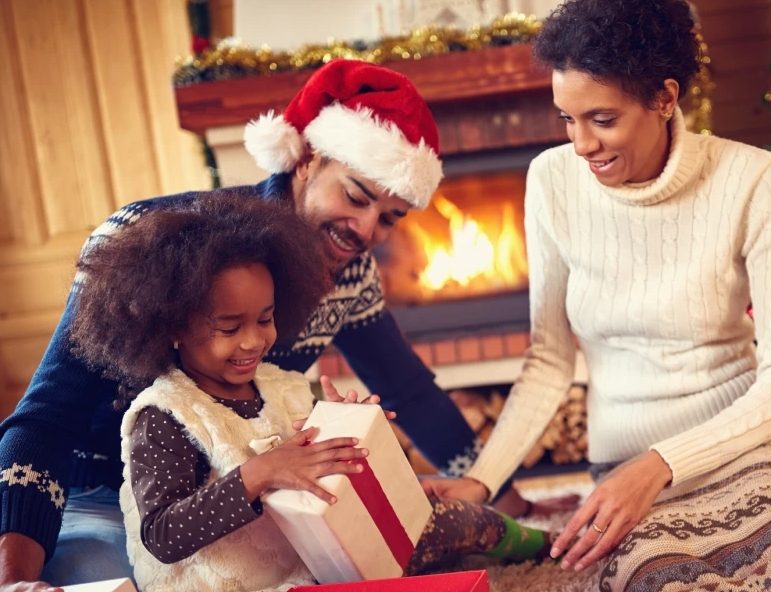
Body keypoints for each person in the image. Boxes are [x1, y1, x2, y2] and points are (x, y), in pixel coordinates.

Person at [424, 1, 771, 590]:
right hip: (623, 469)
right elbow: (549, 361)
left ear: (665, 98)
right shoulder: (551, 181)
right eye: (567, 118)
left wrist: (662, 463)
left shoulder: (751, 179)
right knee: (650, 582)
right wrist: (482, 481)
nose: (582, 143)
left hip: (746, 443)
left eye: (603, 119)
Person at [0, 59, 568, 590]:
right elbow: (47, 417)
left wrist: (503, 494)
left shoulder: (348, 274)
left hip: (249, 503)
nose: (368, 230)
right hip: (106, 491)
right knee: (107, 575)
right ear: (306, 159)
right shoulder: (144, 236)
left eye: (390, 218)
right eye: (356, 195)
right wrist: (15, 570)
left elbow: (409, 391)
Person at [67, 193, 550, 592]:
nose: (254, 340)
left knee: (440, 520)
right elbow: (162, 535)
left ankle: (546, 544)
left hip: (310, 569)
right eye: (229, 327)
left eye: (265, 318)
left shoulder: (283, 386)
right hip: (228, 587)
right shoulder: (165, 414)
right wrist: (258, 474)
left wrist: (347, 431)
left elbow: (322, 478)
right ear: (171, 325)